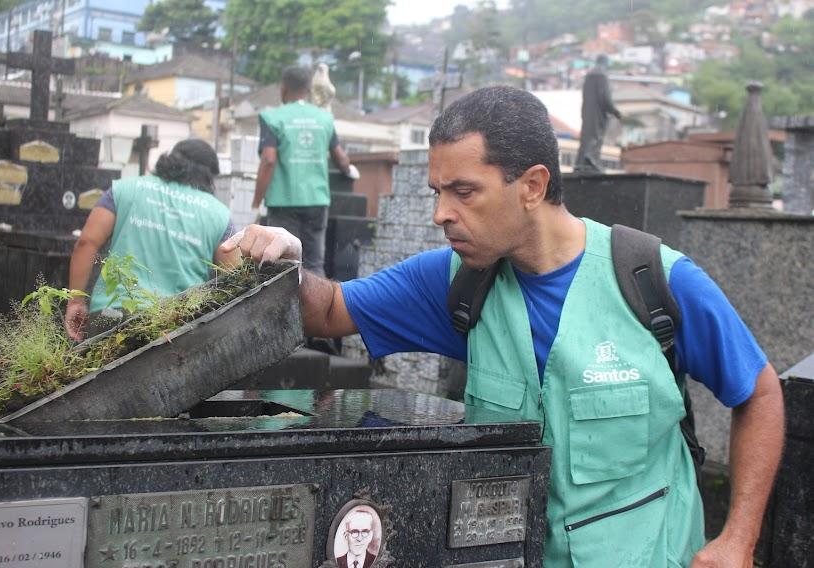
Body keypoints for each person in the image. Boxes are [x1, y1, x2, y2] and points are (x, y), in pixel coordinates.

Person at [223, 87, 785, 567]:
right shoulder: (457, 283)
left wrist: (738, 538)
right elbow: (327, 310)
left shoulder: (652, 280)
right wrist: (279, 263)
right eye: (437, 192)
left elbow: (758, 391)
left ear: (533, 185)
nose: (442, 212)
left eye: (463, 191)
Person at [65, 138, 239, 340]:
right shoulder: (219, 215)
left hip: (112, 313)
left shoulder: (124, 190)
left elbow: (86, 243)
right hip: (176, 324)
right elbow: (234, 276)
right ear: (210, 176)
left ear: (171, 159)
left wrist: (75, 300)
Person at [252, 66, 358, 277]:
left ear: (283, 89)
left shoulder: (272, 117)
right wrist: (350, 170)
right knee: (314, 263)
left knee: (282, 263)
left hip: (283, 203)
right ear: (309, 89)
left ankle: (286, 309)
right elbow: (340, 158)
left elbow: (269, 160)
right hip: (316, 201)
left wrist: (256, 202)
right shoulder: (324, 119)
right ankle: (315, 309)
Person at [574, 54, 622, 173]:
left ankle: (580, 163)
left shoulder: (589, 76)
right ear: (605, 63)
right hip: (598, 114)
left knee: (586, 138)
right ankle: (590, 161)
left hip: (586, 112)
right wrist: (615, 112)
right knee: (595, 138)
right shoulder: (602, 76)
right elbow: (605, 98)